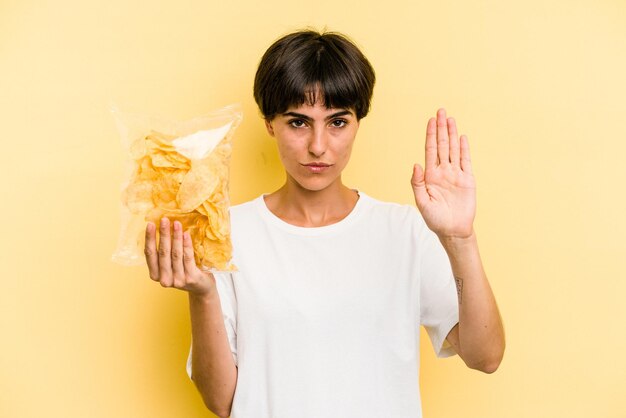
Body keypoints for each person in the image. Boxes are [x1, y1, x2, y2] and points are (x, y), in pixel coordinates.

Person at [143, 29, 505, 418]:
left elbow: (485, 356)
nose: (318, 145)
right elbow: (222, 402)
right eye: (298, 123)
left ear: (358, 122)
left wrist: (460, 239)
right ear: (269, 123)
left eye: (337, 122)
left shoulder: (404, 232)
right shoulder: (227, 233)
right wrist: (203, 294)